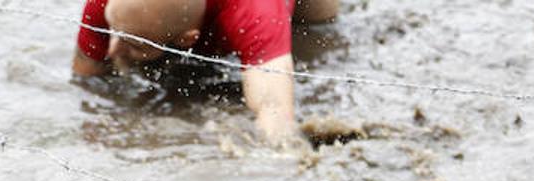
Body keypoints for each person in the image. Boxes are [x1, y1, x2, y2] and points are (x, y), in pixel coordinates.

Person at [72, 0, 338, 145]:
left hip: (258, 12)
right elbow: (85, 77)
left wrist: (282, 164)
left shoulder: (256, 12)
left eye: (133, 41)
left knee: (318, 31)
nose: (111, 48)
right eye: (112, 31)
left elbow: (275, 112)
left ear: (189, 39)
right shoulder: (108, 6)